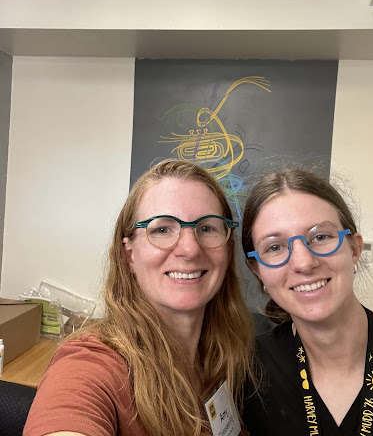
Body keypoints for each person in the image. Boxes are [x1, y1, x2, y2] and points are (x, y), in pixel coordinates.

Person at [24, 159, 256, 436]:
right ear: (129, 254)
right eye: (161, 229)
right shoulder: (93, 364)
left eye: (207, 228)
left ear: (227, 249)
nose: (190, 249)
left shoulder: (220, 355)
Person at [241, 168, 373, 435]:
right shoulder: (248, 371)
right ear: (257, 270)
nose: (304, 263)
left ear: (353, 248)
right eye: (274, 247)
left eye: (320, 237)